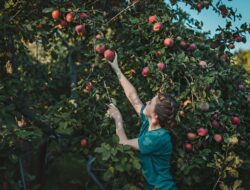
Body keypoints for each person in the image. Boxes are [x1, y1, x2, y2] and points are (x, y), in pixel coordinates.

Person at [106, 52, 178, 190]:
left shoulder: (158, 137)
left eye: (151, 103)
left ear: (156, 116)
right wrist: (117, 69)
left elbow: (122, 143)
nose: (147, 101)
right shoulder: (149, 123)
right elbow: (133, 97)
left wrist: (118, 118)